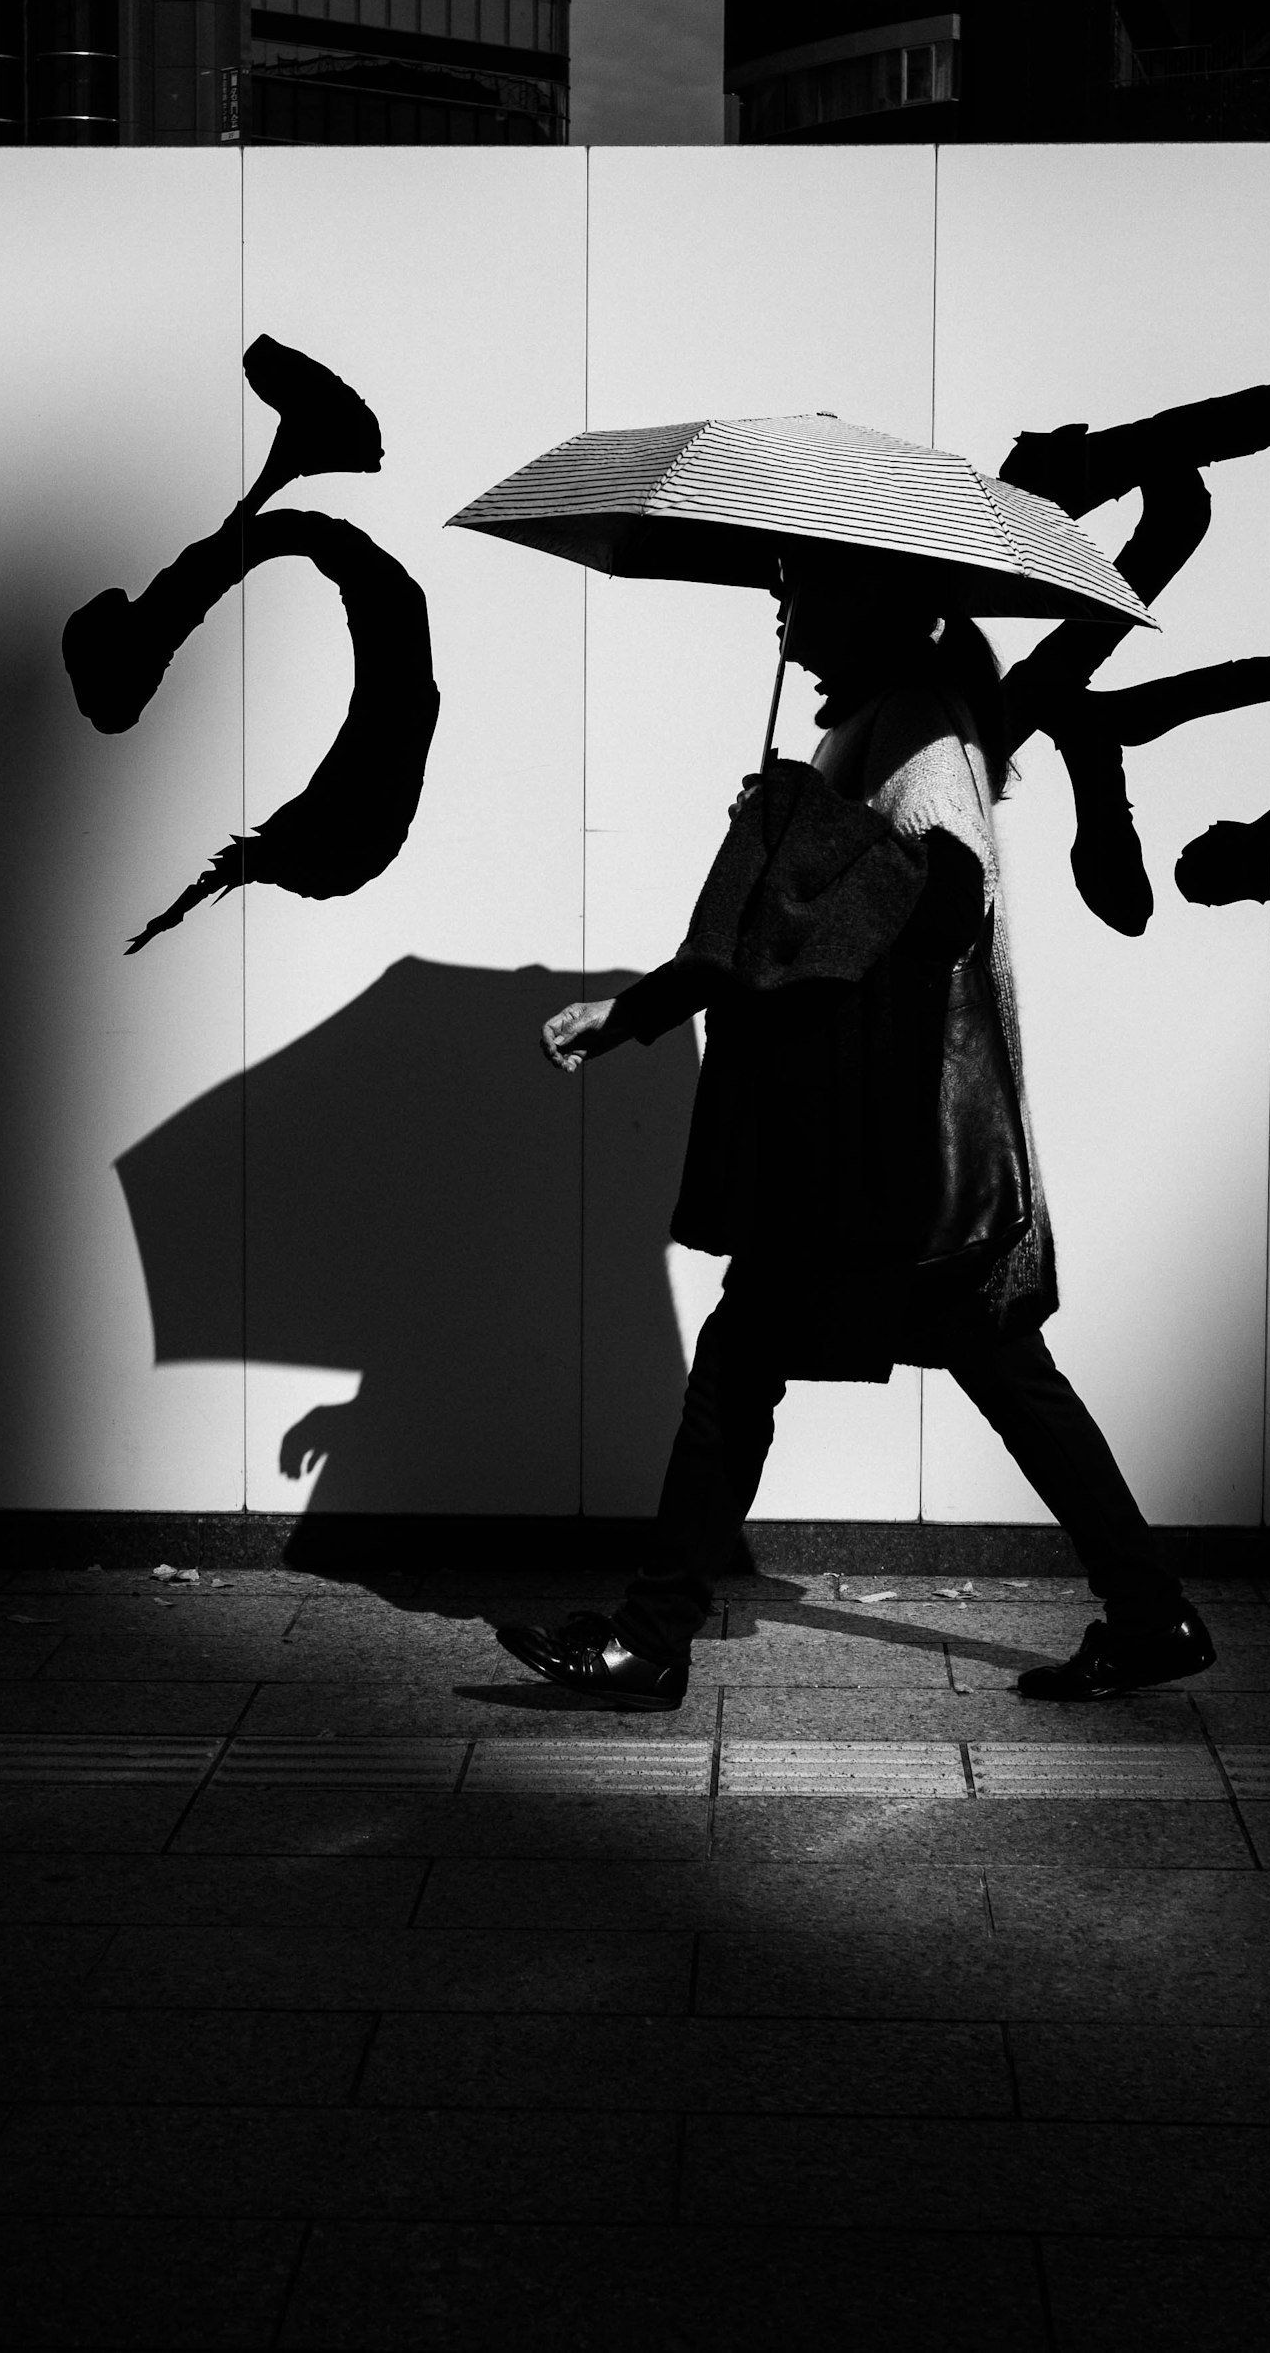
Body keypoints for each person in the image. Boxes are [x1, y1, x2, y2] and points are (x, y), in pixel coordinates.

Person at [497, 544, 1217, 1712]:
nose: (781, 601)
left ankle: (652, 1635)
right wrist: (642, 1004)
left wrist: (799, 840)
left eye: (802, 583)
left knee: (743, 1360)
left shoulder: (920, 724)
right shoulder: (871, 717)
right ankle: (1150, 1610)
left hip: (892, 1136)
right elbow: (780, 933)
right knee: (989, 1366)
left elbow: (942, 896)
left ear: (871, 603)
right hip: (888, 1134)